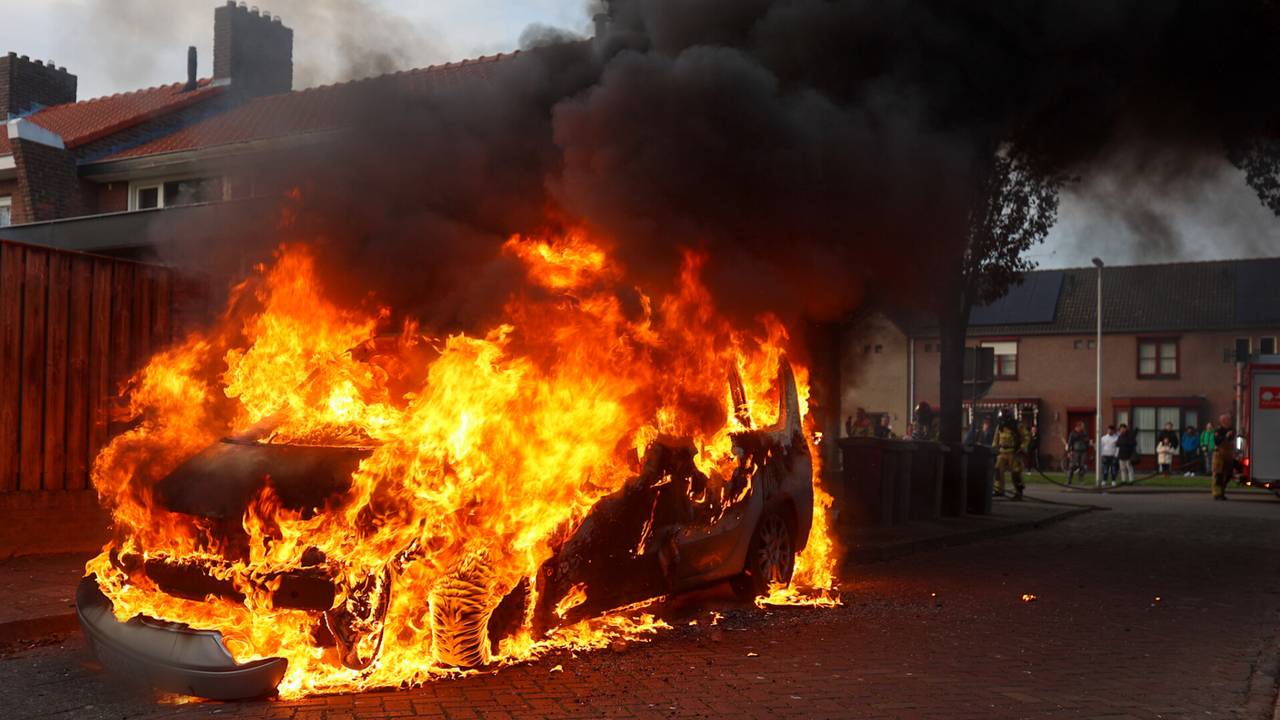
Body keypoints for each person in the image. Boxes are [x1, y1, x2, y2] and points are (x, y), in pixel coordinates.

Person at [993, 411, 1025, 501]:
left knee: (1016, 473)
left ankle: (1019, 493)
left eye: (1002, 418)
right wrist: (993, 450)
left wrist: (1022, 448)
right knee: (998, 470)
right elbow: (996, 439)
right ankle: (998, 490)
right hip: (1002, 452)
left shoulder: (1017, 426)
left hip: (1013, 453)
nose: (1001, 421)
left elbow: (1026, 437)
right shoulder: (999, 427)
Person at [1211, 414, 1236, 501]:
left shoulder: (1232, 430)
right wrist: (1225, 436)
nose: (1229, 422)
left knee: (1228, 475)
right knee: (1218, 475)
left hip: (1228, 456)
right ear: (1222, 421)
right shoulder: (1218, 430)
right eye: (1227, 420)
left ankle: (1222, 491)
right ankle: (1217, 494)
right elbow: (1217, 441)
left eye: (1229, 420)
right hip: (1219, 456)